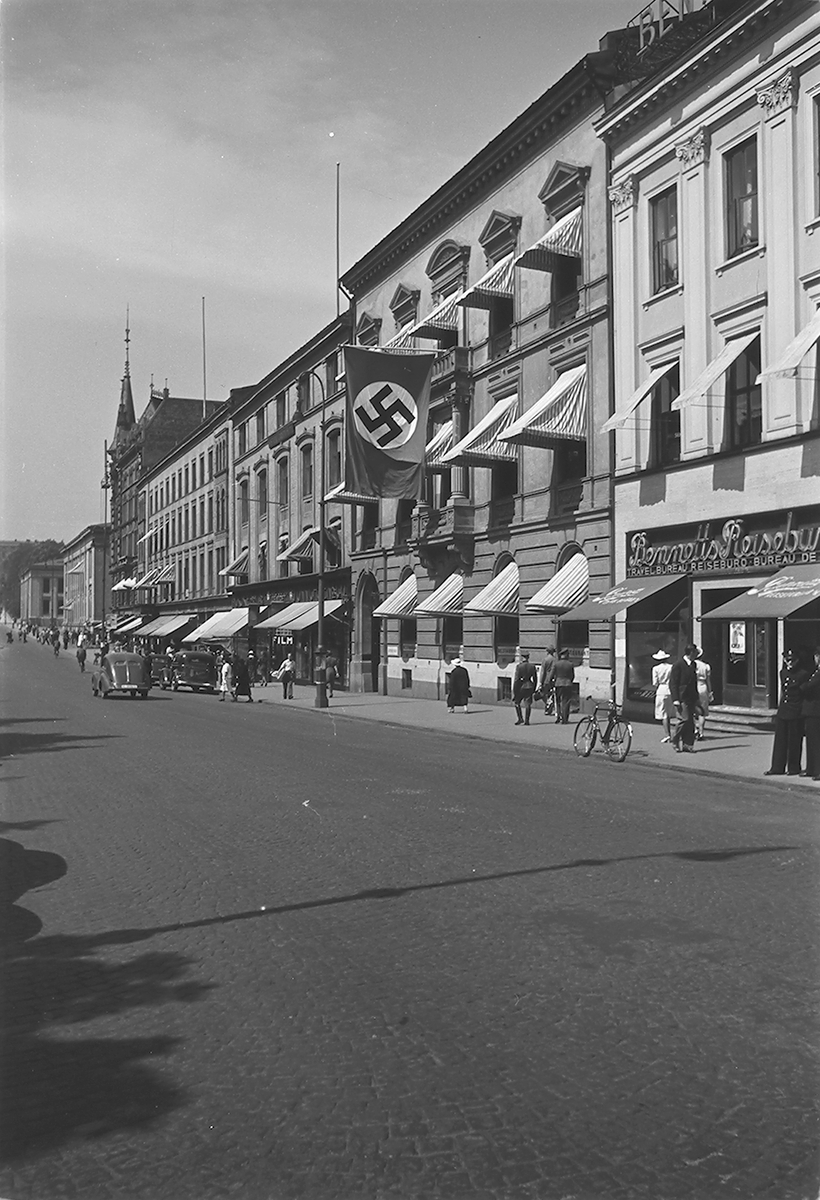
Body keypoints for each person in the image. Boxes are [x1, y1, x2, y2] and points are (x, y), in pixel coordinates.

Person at [765, 648, 810, 776]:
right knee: (780, 741)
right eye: (787, 660)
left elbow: (803, 693)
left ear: (797, 660)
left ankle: (793, 767)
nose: (789, 663)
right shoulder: (783, 673)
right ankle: (777, 767)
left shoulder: (803, 674)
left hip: (796, 710)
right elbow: (783, 692)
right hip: (784, 710)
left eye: (792, 660)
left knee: (794, 741)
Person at [669, 643, 699, 752]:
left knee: (690, 721)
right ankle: (675, 740)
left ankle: (688, 744)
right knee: (684, 719)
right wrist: (675, 699)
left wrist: (697, 697)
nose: (696, 655)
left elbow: (694, 682)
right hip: (682, 697)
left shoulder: (693, 664)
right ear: (690, 652)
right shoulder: (678, 664)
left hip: (691, 697)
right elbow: (673, 683)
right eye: (695, 653)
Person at [800, 646, 820, 781]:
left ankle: (817, 769)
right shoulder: (816, 671)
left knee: (816, 742)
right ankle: (811, 768)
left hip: (816, 710)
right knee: (811, 741)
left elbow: (808, 687)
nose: (816, 659)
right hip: (811, 711)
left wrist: (803, 686)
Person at [651, 649, 673, 742]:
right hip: (670, 690)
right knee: (669, 713)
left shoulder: (655, 668)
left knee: (663, 713)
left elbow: (655, 683)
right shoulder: (671, 667)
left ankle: (667, 734)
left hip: (661, 690)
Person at [549, 649, 576, 725]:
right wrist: (569, 681)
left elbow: (551, 676)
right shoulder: (570, 664)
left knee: (558, 701)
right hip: (567, 684)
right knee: (566, 701)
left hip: (558, 684)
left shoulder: (556, 664)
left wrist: (552, 684)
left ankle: (559, 717)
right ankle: (565, 718)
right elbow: (572, 676)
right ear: (566, 655)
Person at [512, 651, 538, 726]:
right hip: (529, 686)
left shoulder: (519, 666)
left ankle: (520, 718)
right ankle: (527, 720)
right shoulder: (532, 666)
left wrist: (515, 691)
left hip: (521, 687)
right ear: (528, 657)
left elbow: (516, 680)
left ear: (522, 657)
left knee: (517, 702)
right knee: (528, 704)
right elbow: (535, 679)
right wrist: (534, 688)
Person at [694, 651, 713, 740]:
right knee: (702, 711)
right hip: (703, 686)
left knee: (692, 710)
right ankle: (701, 732)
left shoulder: (692, 665)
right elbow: (708, 680)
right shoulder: (706, 666)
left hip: (694, 686)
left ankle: (694, 730)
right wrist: (710, 691)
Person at [538, 646, 556, 716]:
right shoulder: (555, 660)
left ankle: (548, 706)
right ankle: (549, 708)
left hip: (546, 679)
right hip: (553, 680)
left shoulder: (545, 660)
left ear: (548, 652)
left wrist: (541, 682)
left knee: (544, 694)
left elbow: (542, 672)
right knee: (551, 694)